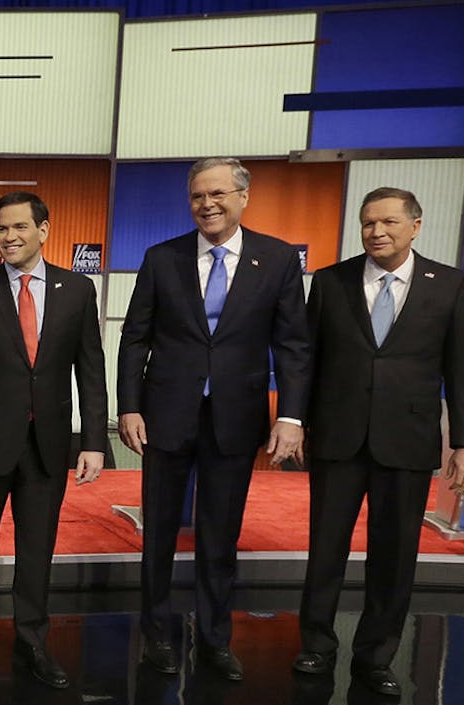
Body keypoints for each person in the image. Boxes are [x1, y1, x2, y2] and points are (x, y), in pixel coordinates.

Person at [118, 156, 313, 679]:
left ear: (243, 197)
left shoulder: (275, 260)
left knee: (220, 535)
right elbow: (136, 336)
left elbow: (293, 344)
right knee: (158, 532)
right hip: (166, 414)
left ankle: (215, 640)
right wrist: (129, 406)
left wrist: (291, 415)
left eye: (218, 194)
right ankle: (157, 637)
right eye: (198, 196)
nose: (207, 204)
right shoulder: (163, 258)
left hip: (236, 415)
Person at [293, 187, 464, 696]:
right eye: (368, 223)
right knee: (325, 550)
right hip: (338, 437)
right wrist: (295, 421)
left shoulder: (450, 285)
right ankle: (315, 646)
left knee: (395, 556)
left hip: (409, 440)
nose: (377, 232)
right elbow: (307, 361)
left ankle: (376, 657)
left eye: (389, 223)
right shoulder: (331, 282)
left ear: (415, 226)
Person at [0, 191, 108, 689]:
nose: (9, 237)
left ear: (44, 230)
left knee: (37, 554)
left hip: (47, 448)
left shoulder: (77, 290)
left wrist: (93, 440)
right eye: (2, 229)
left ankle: (32, 641)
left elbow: (90, 371)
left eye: (19, 228)